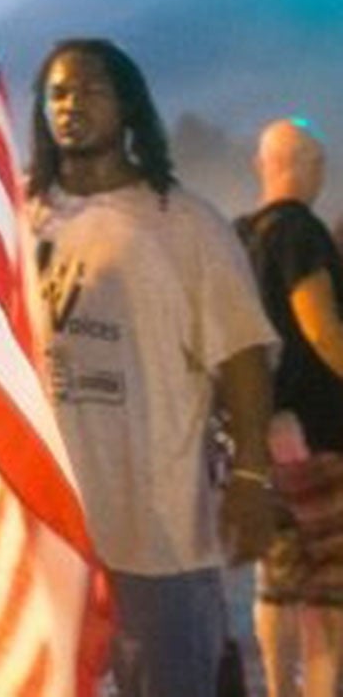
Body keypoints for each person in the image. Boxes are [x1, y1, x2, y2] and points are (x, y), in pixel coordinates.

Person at [28, 37, 276, 697]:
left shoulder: (183, 222)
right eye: (57, 93)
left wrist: (252, 473)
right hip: (52, 527)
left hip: (158, 532)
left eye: (90, 90)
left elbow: (243, 352)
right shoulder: (24, 223)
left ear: (130, 107)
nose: (71, 104)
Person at [238, 116, 343, 697]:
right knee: (329, 591)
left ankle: (279, 690)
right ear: (307, 167)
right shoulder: (302, 233)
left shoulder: (235, 235)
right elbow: (323, 329)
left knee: (276, 584)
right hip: (321, 439)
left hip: (259, 439)